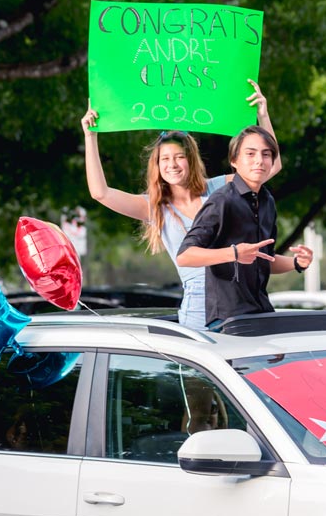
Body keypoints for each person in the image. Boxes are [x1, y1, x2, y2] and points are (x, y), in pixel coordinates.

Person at [81, 80, 281, 330]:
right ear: (156, 165)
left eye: (179, 157)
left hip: (237, 300)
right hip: (197, 309)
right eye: (165, 159)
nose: (172, 164)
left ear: (192, 161)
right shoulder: (155, 207)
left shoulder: (219, 188)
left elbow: (269, 166)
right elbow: (100, 193)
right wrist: (91, 137)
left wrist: (263, 115)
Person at [176, 126, 313, 328]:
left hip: (260, 311)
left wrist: (297, 263)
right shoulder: (222, 200)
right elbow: (185, 256)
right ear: (234, 160)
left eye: (266, 154)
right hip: (228, 319)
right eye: (250, 153)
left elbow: (264, 259)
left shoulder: (267, 200)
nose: (259, 160)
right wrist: (234, 253)